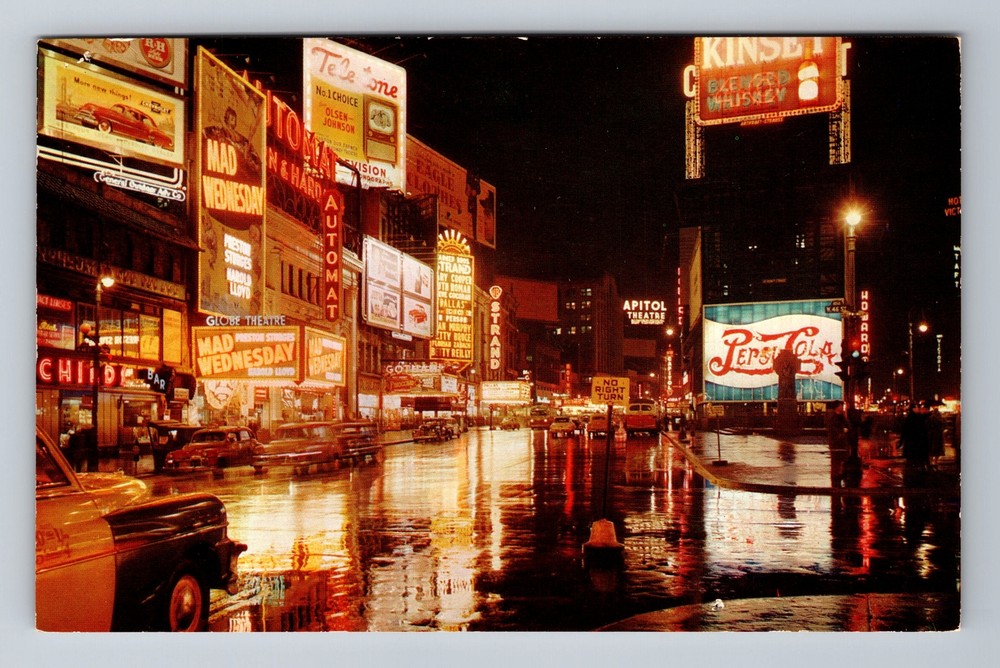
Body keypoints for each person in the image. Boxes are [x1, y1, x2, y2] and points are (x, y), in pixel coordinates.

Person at [899, 401, 931, 485]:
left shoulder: (914, 417)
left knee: (913, 460)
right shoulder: (915, 418)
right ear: (913, 409)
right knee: (915, 460)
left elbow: (904, 431)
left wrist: (901, 442)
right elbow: (907, 430)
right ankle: (915, 477)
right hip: (915, 443)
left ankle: (912, 476)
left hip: (914, 443)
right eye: (917, 407)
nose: (918, 408)